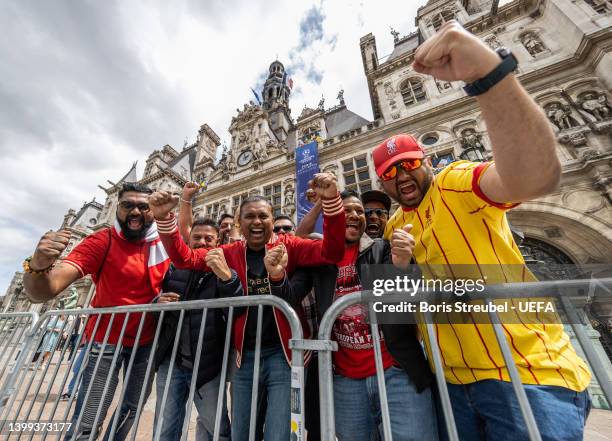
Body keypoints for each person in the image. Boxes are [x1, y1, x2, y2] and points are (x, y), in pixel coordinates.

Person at [376, 21, 591, 441]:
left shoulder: (455, 182)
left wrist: (487, 77)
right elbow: (397, 311)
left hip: (526, 378)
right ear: (382, 183)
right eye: (389, 172)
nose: (401, 176)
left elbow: (533, 178)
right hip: (453, 386)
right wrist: (397, 269)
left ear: (427, 162)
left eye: (408, 164)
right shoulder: (395, 225)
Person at [148, 172, 345, 441]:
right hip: (244, 357)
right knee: (242, 432)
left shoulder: (291, 245)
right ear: (239, 223)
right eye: (249, 216)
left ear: (273, 222)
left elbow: (332, 253)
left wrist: (332, 201)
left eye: (263, 216)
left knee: (279, 434)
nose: (256, 221)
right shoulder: (229, 252)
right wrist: (163, 219)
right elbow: (185, 258)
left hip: (284, 356)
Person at [23, 182, 168, 441]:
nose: (135, 212)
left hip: (147, 343)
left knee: (130, 412)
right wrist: (38, 265)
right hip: (106, 342)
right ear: (116, 208)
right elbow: (43, 291)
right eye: (127, 205)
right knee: (89, 419)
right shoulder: (102, 240)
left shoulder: (166, 242)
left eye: (143, 206)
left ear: (153, 211)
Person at [290, 190, 437, 441]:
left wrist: (403, 266)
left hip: (396, 373)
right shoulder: (321, 257)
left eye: (360, 211)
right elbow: (296, 250)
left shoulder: (382, 249)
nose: (356, 215)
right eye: (346, 210)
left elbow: (410, 297)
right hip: (346, 383)